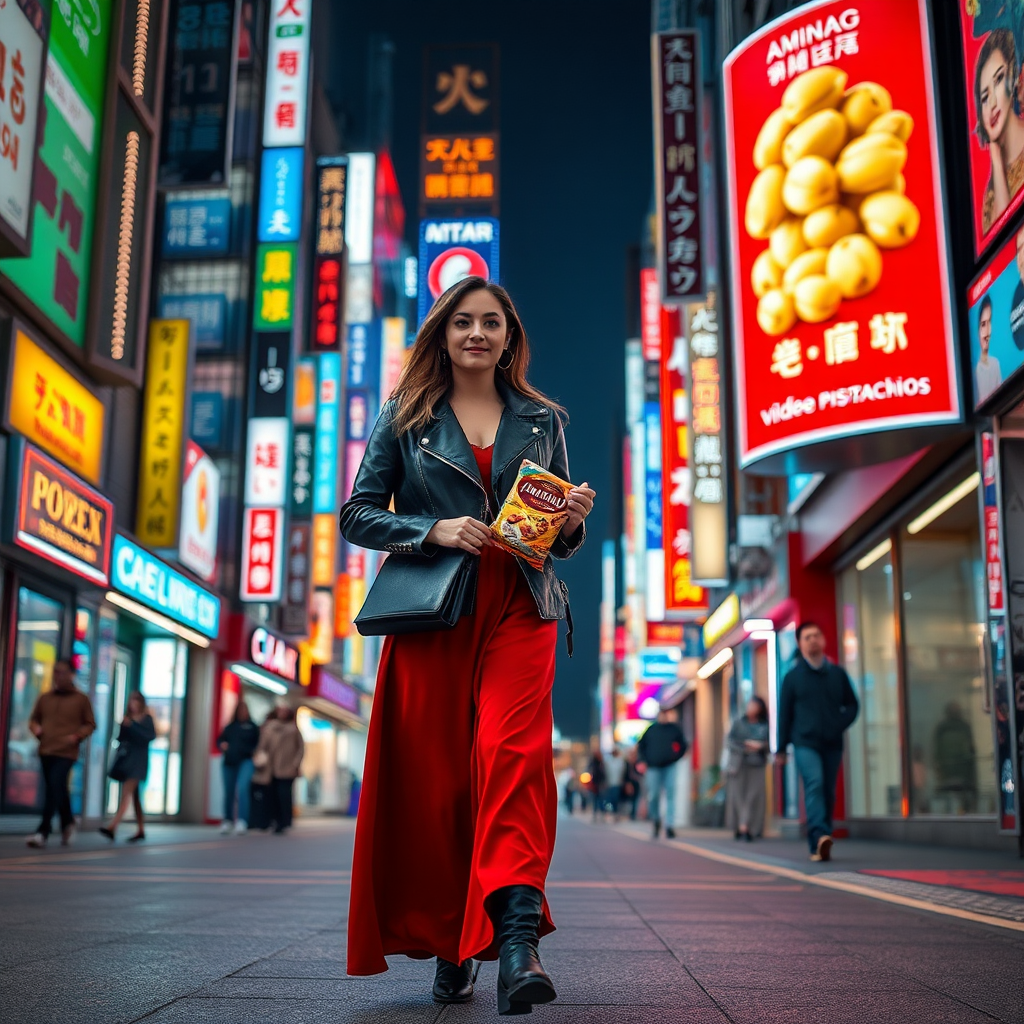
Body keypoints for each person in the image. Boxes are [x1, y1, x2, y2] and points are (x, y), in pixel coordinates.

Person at [339, 275, 594, 1013]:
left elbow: (550, 537)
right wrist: (432, 529)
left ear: (509, 336)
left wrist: (570, 519)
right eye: (462, 323)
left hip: (520, 605)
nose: (477, 333)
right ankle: (456, 943)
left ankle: (517, 944)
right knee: (443, 782)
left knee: (510, 759)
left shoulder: (543, 419)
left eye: (491, 322)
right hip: (433, 614)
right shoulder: (404, 413)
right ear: (443, 335)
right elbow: (357, 513)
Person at [777, 622, 859, 862]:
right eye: (807, 637)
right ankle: (819, 838)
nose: (812, 640)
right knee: (814, 784)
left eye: (816, 635)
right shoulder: (792, 678)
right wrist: (781, 748)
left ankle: (823, 838)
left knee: (828, 791)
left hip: (832, 743)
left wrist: (838, 724)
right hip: (804, 743)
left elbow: (853, 705)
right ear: (800, 644)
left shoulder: (837, 674)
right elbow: (785, 715)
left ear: (823, 640)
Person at [25, 659, 96, 849]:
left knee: (54, 787)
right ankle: (68, 822)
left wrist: (77, 736)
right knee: (57, 789)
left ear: (72, 674)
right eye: (56, 672)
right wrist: (36, 729)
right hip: (46, 749)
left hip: (66, 752)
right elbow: (33, 719)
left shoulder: (81, 699)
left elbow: (90, 724)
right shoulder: (45, 698)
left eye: (63, 672)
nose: (58, 676)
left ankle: (43, 831)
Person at [975, 28, 1024, 233]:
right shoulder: (990, 197)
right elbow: (1004, 241)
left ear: (1013, 75)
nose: (993, 103)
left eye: (998, 79)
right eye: (985, 98)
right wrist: (995, 154)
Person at [99, 691, 156, 843]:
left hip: (138, 762)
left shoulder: (146, 719)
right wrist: (124, 727)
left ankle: (112, 826)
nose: (133, 704)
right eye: (131, 701)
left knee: (126, 794)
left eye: (136, 701)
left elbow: (149, 737)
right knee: (136, 797)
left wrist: (133, 726)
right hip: (127, 761)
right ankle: (141, 830)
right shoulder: (128, 719)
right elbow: (121, 738)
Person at [637, 708, 688, 839]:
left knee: (671, 794)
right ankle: (656, 820)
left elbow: (683, 745)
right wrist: (643, 760)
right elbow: (641, 746)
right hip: (653, 767)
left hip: (669, 766)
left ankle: (669, 825)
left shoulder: (674, 729)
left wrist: (675, 756)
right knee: (653, 794)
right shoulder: (651, 730)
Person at [253, 705, 304, 834]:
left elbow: (300, 748)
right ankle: (271, 821)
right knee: (271, 795)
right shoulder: (269, 728)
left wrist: (295, 764)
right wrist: (259, 758)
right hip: (270, 768)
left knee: (284, 795)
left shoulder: (293, 729)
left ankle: (284, 822)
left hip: (287, 768)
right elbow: (262, 746)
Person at [725, 697, 770, 842]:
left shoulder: (764, 725)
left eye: (755, 706)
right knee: (738, 796)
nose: (751, 708)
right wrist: (745, 745)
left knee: (753, 796)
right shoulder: (739, 723)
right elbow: (729, 742)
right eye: (750, 705)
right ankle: (740, 826)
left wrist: (760, 746)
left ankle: (748, 826)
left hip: (757, 763)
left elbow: (768, 745)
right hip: (739, 763)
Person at [218, 700, 260, 835]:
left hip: (246, 761)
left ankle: (242, 820)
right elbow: (219, 740)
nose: (242, 713)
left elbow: (258, 744)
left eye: (244, 710)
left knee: (242, 789)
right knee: (228, 792)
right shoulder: (230, 727)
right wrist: (223, 745)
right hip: (229, 762)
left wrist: (251, 752)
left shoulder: (252, 727)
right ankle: (228, 820)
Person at [933, 701, 978, 814]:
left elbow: (971, 750)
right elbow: (937, 752)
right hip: (950, 773)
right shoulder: (942, 729)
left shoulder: (963, 727)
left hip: (962, 772)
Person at [975, 295, 1003, 401]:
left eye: (989, 322)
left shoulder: (995, 364)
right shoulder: (975, 372)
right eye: (983, 325)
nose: (987, 332)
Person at [603, 747, 626, 820]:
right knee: (610, 799)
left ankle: (615, 812)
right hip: (610, 783)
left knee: (616, 798)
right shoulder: (608, 761)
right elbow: (606, 772)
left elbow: (623, 772)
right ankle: (611, 811)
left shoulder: (620, 761)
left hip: (617, 784)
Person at [586, 747, 607, 821]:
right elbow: (589, 772)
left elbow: (604, 773)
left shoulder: (602, 763)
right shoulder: (592, 763)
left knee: (601, 800)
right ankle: (595, 814)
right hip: (594, 784)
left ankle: (602, 814)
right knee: (595, 799)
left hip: (600, 784)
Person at [621, 748, 643, 821]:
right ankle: (629, 814)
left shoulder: (637, 763)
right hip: (629, 783)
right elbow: (624, 775)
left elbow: (641, 773)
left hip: (636, 783)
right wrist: (627, 784)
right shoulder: (626, 764)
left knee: (635, 799)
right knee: (629, 799)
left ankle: (633, 814)